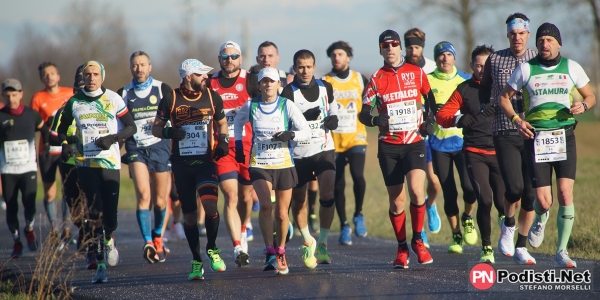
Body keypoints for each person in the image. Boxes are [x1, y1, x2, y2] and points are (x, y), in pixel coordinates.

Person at [499, 23, 596, 268]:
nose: (545, 44)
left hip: (564, 135)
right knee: (543, 201)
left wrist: (583, 106)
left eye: (549, 40)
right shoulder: (526, 69)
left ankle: (561, 251)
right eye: (541, 40)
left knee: (565, 193)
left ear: (558, 44)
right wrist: (516, 120)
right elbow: (503, 97)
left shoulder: (572, 67)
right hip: (537, 138)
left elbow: (590, 96)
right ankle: (541, 217)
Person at [359, 29, 435, 268]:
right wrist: (374, 121)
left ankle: (419, 241)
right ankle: (402, 248)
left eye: (393, 45)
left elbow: (430, 99)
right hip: (389, 146)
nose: (390, 49)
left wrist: (429, 121)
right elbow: (363, 113)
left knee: (416, 190)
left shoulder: (416, 72)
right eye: (385, 46)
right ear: (381, 50)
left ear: (400, 47)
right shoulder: (376, 78)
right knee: (397, 201)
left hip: (414, 143)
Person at [57, 60, 137, 283]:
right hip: (85, 164)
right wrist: (66, 145)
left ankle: (109, 237)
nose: (91, 78)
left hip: (109, 163)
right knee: (94, 214)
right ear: (83, 77)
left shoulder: (113, 98)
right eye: (87, 74)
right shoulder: (74, 102)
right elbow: (61, 130)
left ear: (102, 77)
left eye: (95, 74)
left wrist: (113, 138)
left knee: (110, 219)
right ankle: (101, 264)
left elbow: (132, 127)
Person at [152, 59, 229, 280]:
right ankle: (196, 260)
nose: (206, 77)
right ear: (188, 77)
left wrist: (222, 140)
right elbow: (156, 128)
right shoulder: (171, 98)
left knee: (210, 205)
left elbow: (222, 122)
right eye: (201, 75)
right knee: (190, 217)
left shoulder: (212, 96)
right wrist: (168, 133)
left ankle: (212, 248)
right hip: (182, 164)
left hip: (206, 162)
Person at [234, 67, 310, 275]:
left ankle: (281, 250)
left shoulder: (287, 105)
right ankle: (269, 251)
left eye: (272, 81)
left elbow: (306, 131)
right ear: (259, 85)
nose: (268, 85)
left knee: (282, 214)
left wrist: (290, 135)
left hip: (284, 163)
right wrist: (240, 145)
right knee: (266, 205)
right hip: (260, 163)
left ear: (279, 84)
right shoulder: (252, 105)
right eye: (264, 81)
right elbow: (238, 122)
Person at [436, 45, 505, 263]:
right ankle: (487, 247)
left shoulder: (502, 88)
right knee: (485, 199)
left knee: (504, 202)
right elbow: (442, 115)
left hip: (500, 151)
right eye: (478, 65)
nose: (482, 70)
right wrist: (458, 119)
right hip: (474, 151)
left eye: (487, 66)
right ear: (472, 66)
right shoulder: (464, 89)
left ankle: (509, 233)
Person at [479, 12, 538, 264]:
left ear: (528, 34)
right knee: (513, 188)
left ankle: (522, 246)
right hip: (504, 129)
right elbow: (484, 91)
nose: (517, 38)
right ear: (507, 34)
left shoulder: (538, 57)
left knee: (531, 195)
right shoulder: (495, 59)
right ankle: (508, 225)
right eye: (513, 34)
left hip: (535, 132)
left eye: (521, 33)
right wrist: (487, 106)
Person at [281, 49, 339, 266]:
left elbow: (333, 111)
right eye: (300, 67)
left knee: (327, 192)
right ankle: (307, 241)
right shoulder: (288, 92)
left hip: (323, 149)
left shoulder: (326, 87)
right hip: (298, 153)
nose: (305, 71)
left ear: (314, 67)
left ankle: (323, 242)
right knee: (299, 201)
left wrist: (333, 119)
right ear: (295, 68)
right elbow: (284, 123)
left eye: (308, 66)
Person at [117, 51, 173, 264]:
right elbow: (119, 125)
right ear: (130, 68)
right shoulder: (123, 93)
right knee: (143, 195)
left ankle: (158, 235)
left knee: (160, 201)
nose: (138, 69)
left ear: (150, 67)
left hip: (159, 148)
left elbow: (173, 119)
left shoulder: (162, 89)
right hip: (136, 149)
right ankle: (148, 241)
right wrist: (118, 149)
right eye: (134, 65)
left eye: (142, 64)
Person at [209, 41, 259, 267]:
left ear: (240, 59)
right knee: (231, 195)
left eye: (234, 56)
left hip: (247, 147)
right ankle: (238, 246)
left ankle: (243, 224)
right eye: (225, 56)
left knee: (246, 197)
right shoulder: (210, 82)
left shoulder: (250, 79)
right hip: (222, 148)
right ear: (219, 59)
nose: (229, 60)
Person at [426, 41, 477, 253]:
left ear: (454, 57)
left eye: (448, 54)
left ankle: (467, 218)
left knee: (470, 187)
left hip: (463, 143)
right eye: (440, 55)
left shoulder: (465, 79)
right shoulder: (427, 81)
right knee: (449, 192)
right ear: (436, 59)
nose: (444, 58)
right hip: (439, 145)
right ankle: (456, 235)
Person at [322, 41, 369, 246]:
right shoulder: (324, 81)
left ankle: (359, 214)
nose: (336, 58)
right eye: (333, 55)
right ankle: (344, 225)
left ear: (348, 57)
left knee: (358, 175)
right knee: (337, 185)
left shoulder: (359, 79)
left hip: (356, 136)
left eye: (340, 54)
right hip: (334, 140)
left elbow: (373, 102)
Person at [1, 78, 48, 258]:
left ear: (21, 94)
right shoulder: (1, 116)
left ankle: (29, 228)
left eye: (14, 94)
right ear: (3, 96)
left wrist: (47, 148)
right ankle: (17, 241)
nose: (11, 98)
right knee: (11, 206)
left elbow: (44, 130)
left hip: (28, 168)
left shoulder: (31, 115)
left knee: (29, 203)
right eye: (7, 95)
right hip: (8, 170)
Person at [403, 28, 441, 240]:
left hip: (430, 132)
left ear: (422, 48)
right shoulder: (401, 67)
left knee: (434, 182)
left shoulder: (432, 68)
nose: (412, 50)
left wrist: (431, 120)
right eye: (409, 47)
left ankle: (431, 205)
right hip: (410, 134)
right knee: (415, 186)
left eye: (416, 47)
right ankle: (420, 232)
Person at [30, 62, 74, 236]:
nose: (49, 77)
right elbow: (33, 122)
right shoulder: (37, 98)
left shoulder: (70, 93)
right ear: (42, 79)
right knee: (50, 192)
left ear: (58, 75)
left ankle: (67, 228)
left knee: (68, 190)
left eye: (52, 73)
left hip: (66, 148)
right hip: (47, 150)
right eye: (45, 75)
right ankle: (54, 228)